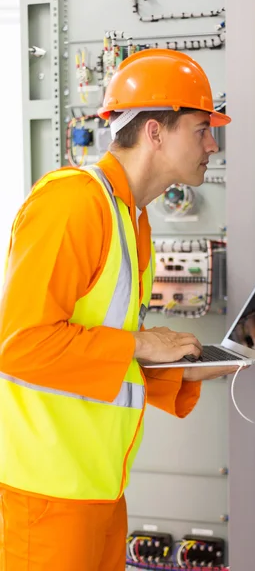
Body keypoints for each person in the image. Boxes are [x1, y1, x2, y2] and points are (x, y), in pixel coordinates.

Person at [0, 49, 241, 570]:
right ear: (155, 132)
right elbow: (19, 348)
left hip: (99, 487)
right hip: (44, 495)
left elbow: (98, 357)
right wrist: (138, 342)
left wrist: (190, 366)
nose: (212, 145)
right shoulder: (73, 204)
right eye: (201, 128)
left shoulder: (132, 218)